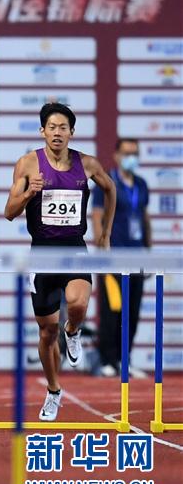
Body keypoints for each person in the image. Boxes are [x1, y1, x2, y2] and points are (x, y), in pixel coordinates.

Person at [4, 102, 116, 421]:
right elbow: (9, 212)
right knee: (46, 333)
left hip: (75, 248)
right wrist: (29, 194)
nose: (57, 133)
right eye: (51, 127)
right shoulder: (28, 164)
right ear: (43, 131)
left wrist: (105, 233)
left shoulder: (87, 164)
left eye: (62, 128)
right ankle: (54, 391)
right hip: (41, 253)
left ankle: (74, 329)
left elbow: (111, 189)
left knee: (77, 303)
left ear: (71, 132)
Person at [92, 138, 150, 378]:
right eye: (127, 153)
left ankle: (124, 359)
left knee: (132, 311)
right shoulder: (106, 182)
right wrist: (102, 251)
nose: (131, 158)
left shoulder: (142, 184)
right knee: (112, 309)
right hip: (113, 257)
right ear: (116, 155)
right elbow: (97, 216)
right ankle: (107, 360)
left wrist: (148, 251)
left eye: (135, 153)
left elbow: (144, 218)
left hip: (137, 257)